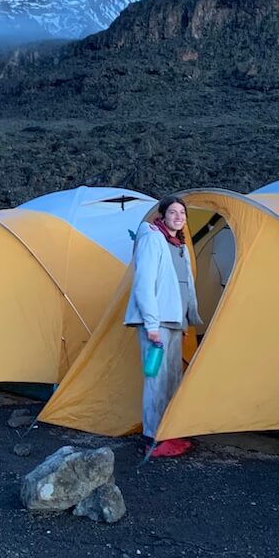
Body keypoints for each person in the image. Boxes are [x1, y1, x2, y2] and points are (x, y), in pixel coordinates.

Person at [125, 196, 201, 458]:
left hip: (174, 321)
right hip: (156, 322)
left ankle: (168, 431)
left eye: (182, 213)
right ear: (163, 214)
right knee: (156, 381)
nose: (178, 217)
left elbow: (182, 286)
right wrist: (151, 324)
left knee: (171, 379)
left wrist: (185, 320)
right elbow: (144, 283)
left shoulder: (179, 245)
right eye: (173, 212)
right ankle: (153, 439)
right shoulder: (152, 238)